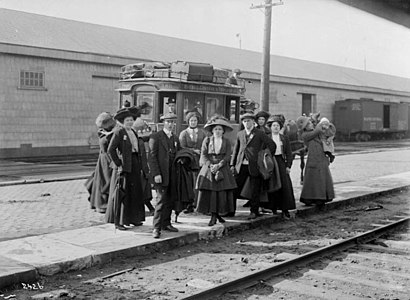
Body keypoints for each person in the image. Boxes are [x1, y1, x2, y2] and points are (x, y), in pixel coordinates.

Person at [105, 107, 149, 230]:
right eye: (127, 120)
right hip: (124, 168)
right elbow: (111, 149)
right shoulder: (119, 132)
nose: (129, 122)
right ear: (122, 121)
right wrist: (118, 164)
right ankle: (119, 222)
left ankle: (134, 218)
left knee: (134, 193)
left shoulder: (133, 132)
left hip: (134, 165)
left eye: (131, 120)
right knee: (122, 194)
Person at [230, 113, 276, 219]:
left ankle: (254, 211)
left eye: (249, 121)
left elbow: (272, 145)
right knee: (234, 187)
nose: (247, 123)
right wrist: (232, 164)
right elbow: (236, 150)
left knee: (255, 189)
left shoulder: (259, 133)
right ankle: (231, 210)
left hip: (255, 165)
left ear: (253, 122)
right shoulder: (240, 134)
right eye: (245, 121)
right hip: (241, 165)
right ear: (242, 123)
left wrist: (264, 156)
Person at [196, 115, 237, 225]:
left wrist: (219, 165)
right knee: (212, 193)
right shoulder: (207, 140)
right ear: (212, 130)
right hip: (209, 168)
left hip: (222, 167)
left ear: (223, 131)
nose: (218, 131)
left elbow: (228, 155)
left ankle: (218, 214)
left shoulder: (226, 141)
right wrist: (210, 166)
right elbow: (203, 154)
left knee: (221, 193)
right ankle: (213, 216)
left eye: (220, 129)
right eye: (216, 129)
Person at [149, 112, 180, 238]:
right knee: (161, 200)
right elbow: (151, 157)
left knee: (170, 200)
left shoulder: (175, 138)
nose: (171, 124)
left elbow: (178, 153)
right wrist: (156, 173)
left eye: (173, 122)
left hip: (172, 174)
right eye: (168, 122)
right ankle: (156, 227)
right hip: (161, 174)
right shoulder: (156, 137)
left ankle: (166, 223)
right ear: (163, 123)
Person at [296, 115, 335, 207]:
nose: (311, 124)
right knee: (313, 179)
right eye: (308, 123)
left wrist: (328, 125)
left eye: (310, 122)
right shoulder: (305, 135)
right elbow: (318, 130)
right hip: (313, 159)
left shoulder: (315, 132)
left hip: (321, 158)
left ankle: (322, 197)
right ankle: (313, 198)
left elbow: (330, 132)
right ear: (304, 127)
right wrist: (321, 124)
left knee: (322, 178)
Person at [266, 115, 296, 219]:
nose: (276, 127)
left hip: (281, 162)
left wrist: (288, 166)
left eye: (278, 126)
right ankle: (273, 208)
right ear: (270, 127)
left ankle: (285, 209)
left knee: (284, 185)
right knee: (272, 184)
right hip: (270, 162)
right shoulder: (267, 138)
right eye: (274, 125)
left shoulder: (284, 138)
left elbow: (289, 153)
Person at [86, 112, 117, 213]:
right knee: (107, 180)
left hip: (103, 159)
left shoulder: (102, 132)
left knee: (101, 180)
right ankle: (104, 204)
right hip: (107, 159)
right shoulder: (109, 134)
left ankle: (100, 203)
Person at [179, 111, 207, 212]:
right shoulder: (184, 133)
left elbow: (205, 145)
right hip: (189, 160)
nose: (193, 122)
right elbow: (181, 147)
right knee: (190, 182)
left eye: (195, 120)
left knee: (199, 181)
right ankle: (189, 204)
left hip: (200, 160)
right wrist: (193, 150)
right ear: (188, 122)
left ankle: (198, 203)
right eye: (191, 121)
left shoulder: (202, 133)